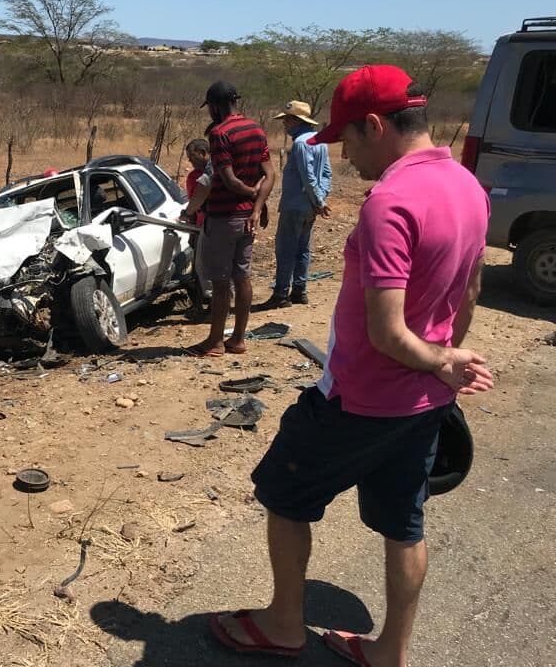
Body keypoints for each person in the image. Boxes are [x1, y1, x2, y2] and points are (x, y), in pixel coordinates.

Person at [209, 66, 493, 666]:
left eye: (351, 142)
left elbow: (386, 332)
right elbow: (468, 292)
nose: (348, 158)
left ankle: (285, 625)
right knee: (404, 524)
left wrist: (438, 359)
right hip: (424, 401)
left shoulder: (390, 202)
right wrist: (442, 363)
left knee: (283, 493)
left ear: (376, 125)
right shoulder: (468, 186)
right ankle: (389, 650)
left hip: (359, 398)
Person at [181, 81, 275, 356]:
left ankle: (215, 342)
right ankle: (238, 339)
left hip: (223, 218)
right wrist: (257, 205)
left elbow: (228, 180)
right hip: (248, 218)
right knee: (242, 276)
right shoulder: (256, 129)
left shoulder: (220, 134)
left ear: (214, 106)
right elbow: (269, 174)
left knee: (221, 283)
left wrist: (190, 211)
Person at [264, 100, 332, 308]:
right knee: (303, 248)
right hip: (310, 206)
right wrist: (320, 200)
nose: (284, 124)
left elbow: (307, 176)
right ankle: (299, 291)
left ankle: (281, 294)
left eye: (286, 120)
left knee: (286, 248)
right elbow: (326, 174)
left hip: (296, 204)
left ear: (295, 120)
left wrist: (318, 201)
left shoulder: (302, 143)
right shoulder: (319, 141)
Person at [183, 138, 211, 320]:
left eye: (192, 157)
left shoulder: (208, 174)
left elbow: (196, 201)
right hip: (201, 224)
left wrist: (188, 214)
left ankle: (214, 307)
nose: (190, 162)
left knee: (206, 267)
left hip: (209, 225)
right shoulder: (194, 176)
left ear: (203, 153)